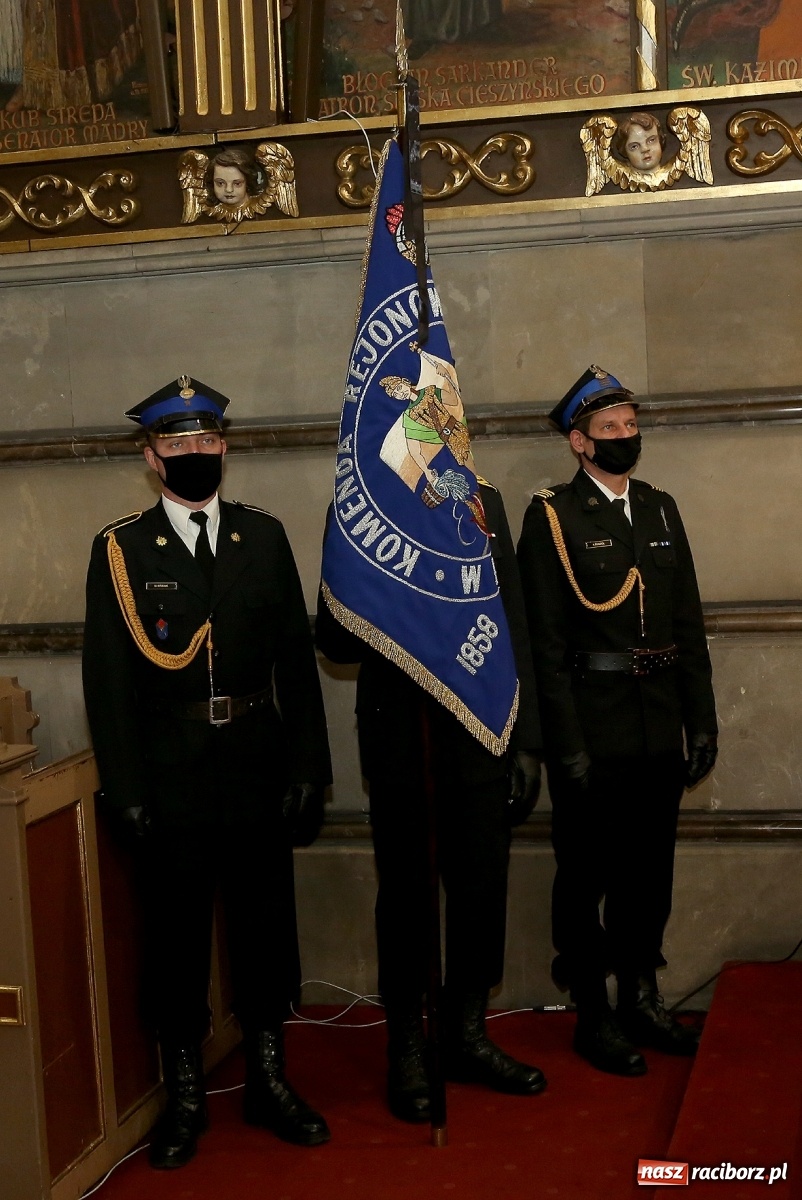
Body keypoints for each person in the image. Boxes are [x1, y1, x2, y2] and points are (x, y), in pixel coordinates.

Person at [82, 375, 332, 1169]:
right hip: (171, 774)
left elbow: (296, 659)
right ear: (151, 459)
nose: (196, 454)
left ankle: (268, 1078)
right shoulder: (121, 550)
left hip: (257, 761)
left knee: (265, 930)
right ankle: (185, 1095)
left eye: (208, 440)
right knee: (178, 938)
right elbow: (108, 681)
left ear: (225, 446)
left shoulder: (261, 537)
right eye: (179, 444)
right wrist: (124, 790)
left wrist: (308, 767)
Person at [316, 481, 546, 1124]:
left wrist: (525, 742)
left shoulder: (484, 499)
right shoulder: (355, 503)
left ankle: (467, 1035)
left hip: (479, 727)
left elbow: (514, 619)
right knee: (408, 898)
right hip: (400, 734)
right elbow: (334, 643)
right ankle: (409, 1045)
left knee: (481, 888)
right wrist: (376, 590)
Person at [516, 365, 718, 1077]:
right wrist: (555, 745)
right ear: (579, 442)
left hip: (658, 722)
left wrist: (703, 721)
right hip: (592, 728)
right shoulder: (552, 517)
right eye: (610, 430)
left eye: (631, 427)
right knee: (585, 877)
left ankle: (641, 996)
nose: (625, 438)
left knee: (648, 874)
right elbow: (539, 641)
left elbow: (687, 623)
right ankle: (593, 1013)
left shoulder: (660, 510)